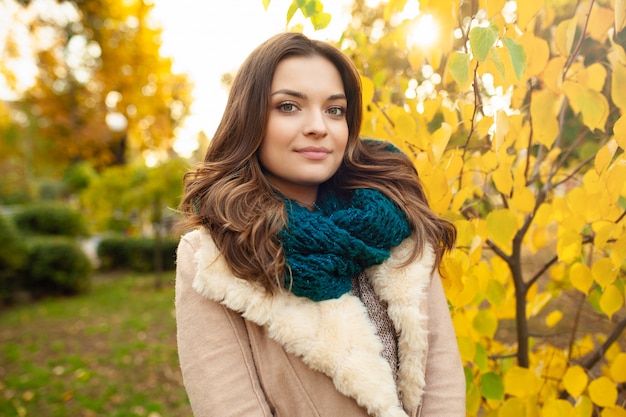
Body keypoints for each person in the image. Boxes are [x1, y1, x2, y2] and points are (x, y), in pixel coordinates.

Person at [175, 31, 466, 417]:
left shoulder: (395, 216)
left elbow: (441, 381)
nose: (318, 126)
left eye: (334, 110)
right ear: (249, 119)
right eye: (289, 107)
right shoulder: (212, 256)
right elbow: (230, 406)